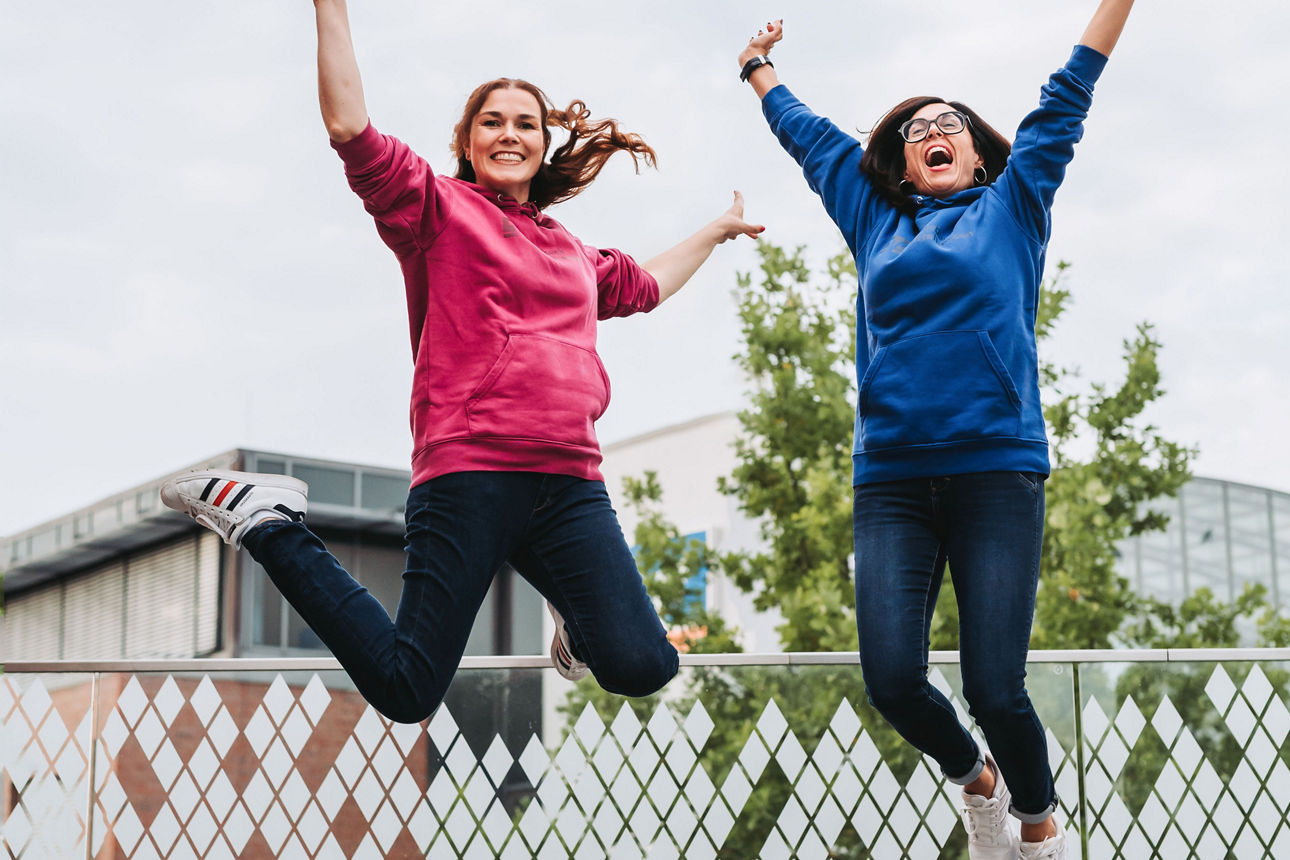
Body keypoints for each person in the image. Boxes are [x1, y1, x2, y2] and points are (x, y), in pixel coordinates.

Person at [162, 0, 762, 725]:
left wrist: (716, 231)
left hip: (570, 482)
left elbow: (644, 285)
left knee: (644, 663)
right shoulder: (434, 211)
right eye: (492, 121)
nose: (509, 132)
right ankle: (267, 521)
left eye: (525, 123)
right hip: (469, 473)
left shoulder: (570, 249)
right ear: (469, 142)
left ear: (544, 145)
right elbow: (349, 127)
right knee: (408, 690)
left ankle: (579, 620)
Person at [736, 3, 1135, 858]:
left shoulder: (1017, 202)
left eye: (950, 124)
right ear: (905, 162)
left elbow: (1070, 89)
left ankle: (1035, 822)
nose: (933, 131)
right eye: (918, 130)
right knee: (892, 680)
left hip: (996, 470)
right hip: (891, 480)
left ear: (982, 152)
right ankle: (977, 781)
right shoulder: (875, 216)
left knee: (997, 688)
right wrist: (757, 69)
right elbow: (811, 140)